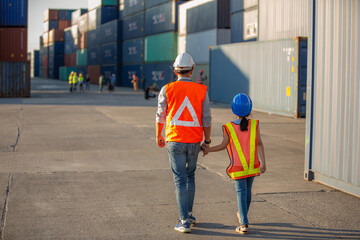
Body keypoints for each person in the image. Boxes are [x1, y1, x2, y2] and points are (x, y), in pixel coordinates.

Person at [156, 53, 212, 233]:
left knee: (180, 179)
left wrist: (159, 135)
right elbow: (207, 119)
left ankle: (184, 221)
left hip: (174, 140)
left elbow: (160, 115)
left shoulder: (167, 89)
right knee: (191, 176)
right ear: (192, 70)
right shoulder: (202, 90)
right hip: (194, 141)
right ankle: (188, 213)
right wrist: (208, 141)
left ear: (175, 70)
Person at [202, 93, 266, 235]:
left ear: (233, 110)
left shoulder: (229, 128)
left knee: (241, 194)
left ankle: (243, 223)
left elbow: (223, 145)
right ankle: (243, 216)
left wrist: (208, 150)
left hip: (238, 168)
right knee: (248, 193)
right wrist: (263, 162)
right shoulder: (255, 125)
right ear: (250, 110)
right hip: (253, 166)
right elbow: (259, 143)